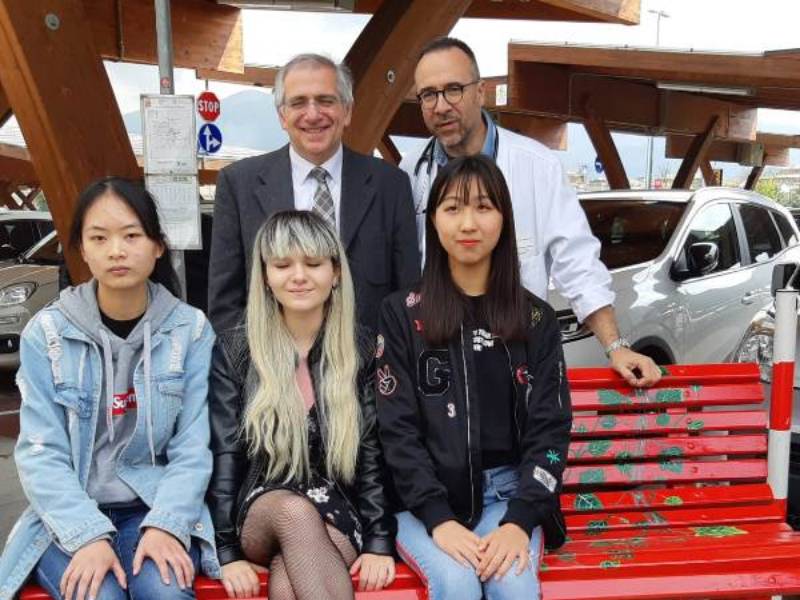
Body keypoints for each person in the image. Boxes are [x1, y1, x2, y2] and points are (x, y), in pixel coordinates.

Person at [0, 177, 218, 600]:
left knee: (166, 592)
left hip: (154, 506)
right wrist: (87, 536)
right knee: (96, 594)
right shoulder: (47, 333)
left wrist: (166, 524)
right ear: (82, 250)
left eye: (132, 235)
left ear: (157, 245)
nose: (116, 250)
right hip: (69, 512)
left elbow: (194, 446)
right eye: (99, 238)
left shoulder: (189, 330)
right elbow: (40, 453)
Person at [401, 36, 661, 387]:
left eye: (453, 89)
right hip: (436, 360)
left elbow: (577, 261)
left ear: (480, 92)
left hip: (515, 358)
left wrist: (615, 346)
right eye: (428, 94)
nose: (441, 105)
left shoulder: (537, 166)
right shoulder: (408, 171)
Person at [376, 156, 572, 600]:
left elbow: (551, 429)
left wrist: (520, 521)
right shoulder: (403, 314)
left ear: (504, 217)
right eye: (452, 208)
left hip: (511, 496)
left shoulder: (536, 319)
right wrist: (438, 518)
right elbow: (397, 430)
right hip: (426, 502)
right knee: (457, 583)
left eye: (484, 207)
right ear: (433, 220)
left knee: (515, 588)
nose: (468, 223)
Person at [207, 210, 397, 599]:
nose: (298, 276)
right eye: (282, 265)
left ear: (336, 273)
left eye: (313, 264)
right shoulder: (237, 349)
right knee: (295, 514)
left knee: (290, 577)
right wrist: (226, 550)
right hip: (263, 505)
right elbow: (227, 452)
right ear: (264, 275)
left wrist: (379, 539)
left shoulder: (360, 348)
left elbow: (371, 452)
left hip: (337, 505)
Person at [208, 53, 420, 335]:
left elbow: (407, 295)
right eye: (298, 102)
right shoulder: (239, 184)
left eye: (325, 100)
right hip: (272, 369)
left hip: (368, 369)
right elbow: (226, 303)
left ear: (347, 111)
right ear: (282, 116)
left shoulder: (389, 184)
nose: (313, 114)